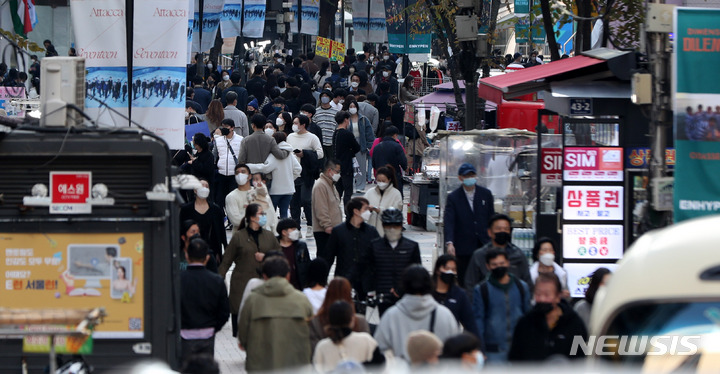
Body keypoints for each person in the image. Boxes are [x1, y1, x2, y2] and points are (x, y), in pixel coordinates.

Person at [237, 256, 314, 372]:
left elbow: (243, 331)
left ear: (264, 276)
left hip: (261, 365)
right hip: (295, 365)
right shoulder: (302, 300)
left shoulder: (253, 300)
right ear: (288, 275)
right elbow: (311, 333)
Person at [374, 265, 461, 361]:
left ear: (404, 285)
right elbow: (455, 351)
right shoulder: (445, 315)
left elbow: (380, 350)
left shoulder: (390, 316)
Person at [219, 203, 281, 337]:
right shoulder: (239, 237)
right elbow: (227, 260)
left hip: (264, 283)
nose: (264, 216)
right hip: (241, 282)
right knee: (239, 314)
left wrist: (267, 257)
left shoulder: (269, 236)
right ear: (252, 218)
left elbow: (280, 256)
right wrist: (218, 279)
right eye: (261, 214)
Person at [508, 273, 588, 362]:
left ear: (558, 297)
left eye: (547, 295)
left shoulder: (574, 323)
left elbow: (581, 360)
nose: (542, 299)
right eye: (538, 294)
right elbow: (515, 359)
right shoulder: (525, 323)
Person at [472, 249, 531, 363]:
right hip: (493, 351)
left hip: (518, 350)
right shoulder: (482, 290)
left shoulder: (521, 287)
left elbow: (528, 317)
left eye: (502, 263)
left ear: (508, 263)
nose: (499, 267)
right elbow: (478, 321)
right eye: (494, 264)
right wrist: (480, 349)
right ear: (488, 266)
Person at [361, 208, 420, 315]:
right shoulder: (375, 246)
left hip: (406, 297)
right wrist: (369, 291)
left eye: (396, 225)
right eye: (388, 225)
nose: (392, 229)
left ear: (401, 226)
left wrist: (403, 290)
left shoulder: (411, 247)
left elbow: (417, 274)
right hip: (383, 296)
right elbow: (368, 271)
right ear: (383, 226)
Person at [444, 163, 495, 287]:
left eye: (472, 175)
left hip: (483, 244)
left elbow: (491, 218)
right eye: (466, 176)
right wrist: (450, 242)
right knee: (465, 280)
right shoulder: (454, 197)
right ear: (460, 178)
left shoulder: (485, 194)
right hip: (463, 247)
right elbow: (449, 221)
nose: (469, 178)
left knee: (484, 279)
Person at [180, 238, 230, 359]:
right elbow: (224, 312)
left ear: (187, 256)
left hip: (184, 334)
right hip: (207, 333)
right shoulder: (216, 281)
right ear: (207, 258)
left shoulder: (178, 279)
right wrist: (214, 327)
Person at [323, 197, 380, 293]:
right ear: (356, 211)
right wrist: (323, 280)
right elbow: (329, 256)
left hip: (366, 282)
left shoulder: (371, 231)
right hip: (343, 280)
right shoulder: (339, 231)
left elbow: (379, 255)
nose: (368, 212)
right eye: (365, 209)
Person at [465, 214, 532, 290]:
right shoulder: (479, 256)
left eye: (506, 229)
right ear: (490, 232)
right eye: (498, 229)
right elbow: (470, 285)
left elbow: (527, 283)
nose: (502, 231)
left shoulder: (518, 255)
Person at [313, 301, 384, 373]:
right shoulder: (367, 340)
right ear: (352, 319)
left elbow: (317, 370)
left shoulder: (322, 346)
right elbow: (380, 366)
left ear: (329, 320)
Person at [247, 132, 302, 219]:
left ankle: (273, 232)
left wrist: (249, 166)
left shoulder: (274, 155)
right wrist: (290, 178)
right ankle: (284, 231)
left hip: (276, 190)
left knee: (271, 214)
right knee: (284, 213)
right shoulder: (290, 154)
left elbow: (266, 168)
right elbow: (298, 169)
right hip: (289, 189)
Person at [309, 277, 372, 352]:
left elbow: (314, 352)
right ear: (349, 296)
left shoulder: (315, 322)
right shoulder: (360, 322)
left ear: (327, 294)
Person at [431, 255, 480, 339]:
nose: (450, 272)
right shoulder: (427, 292)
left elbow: (470, 323)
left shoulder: (459, 295)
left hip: (451, 343)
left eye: (453, 270)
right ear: (437, 270)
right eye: (446, 268)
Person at [180, 180, 227, 263]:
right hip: (191, 250)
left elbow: (221, 232)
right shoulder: (186, 210)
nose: (204, 188)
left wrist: (224, 249)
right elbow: (181, 229)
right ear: (195, 190)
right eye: (201, 186)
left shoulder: (216, 210)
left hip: (212, 251)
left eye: (207, 186)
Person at [312, 159, 343, 256]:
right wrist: (327, 225)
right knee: (324, 259)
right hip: (324, 231)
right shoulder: (321, 185)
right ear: (330, 171)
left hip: (333, 229)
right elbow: (321, 208)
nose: (339, 174)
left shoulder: (331, 185)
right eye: (337, 172)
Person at [344, 99, 375, 193]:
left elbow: (369, 133)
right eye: (350, 107)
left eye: (354, 106)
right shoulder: (345, 119)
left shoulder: (363, 119)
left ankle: (360, 186)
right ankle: (350, 185)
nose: (352, 108)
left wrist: (369, 145)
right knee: (350, 165)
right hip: (349, 144)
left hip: (361, 143)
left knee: (361, 166)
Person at [363, 165, 403, 237]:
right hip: (370, 234)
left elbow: (396, 213)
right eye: (378, 180)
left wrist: (380, 210)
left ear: (389, 179)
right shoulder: (370, 192)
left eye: (383, 181)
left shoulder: (396, 194)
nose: (381, 183)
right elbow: (362, 212)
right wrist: (368, 210)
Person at [332, 110, 361, 204]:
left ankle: (335, 212)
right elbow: (357, 147)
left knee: (338, 191)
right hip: (346, 166)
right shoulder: (347, 134)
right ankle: (348, 213)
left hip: (336, 166)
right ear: (345, 120)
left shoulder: (335, 133)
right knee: (348, 192)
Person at [275, 218, 311, 290]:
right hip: (278, 287)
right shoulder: (274, 245)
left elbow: (307, 265)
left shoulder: (301, 246)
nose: (296, 232)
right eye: (293, 229)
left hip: (298, 287)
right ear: (284, 232)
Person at [371, 126, 407, 196]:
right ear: (395, 135)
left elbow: (373, 164)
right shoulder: (397, 146)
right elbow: (403, 162)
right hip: (394, 177)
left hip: (380, 177)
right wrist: (405, 168)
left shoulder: (377, 147)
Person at [315, 90, 339, 160]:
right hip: (320, 142)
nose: (324, 98)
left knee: (331, 162)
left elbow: (337, 126)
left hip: (331, 142)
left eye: (326, 96)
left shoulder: (336, 112)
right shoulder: (316, 111)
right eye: (322, 96)